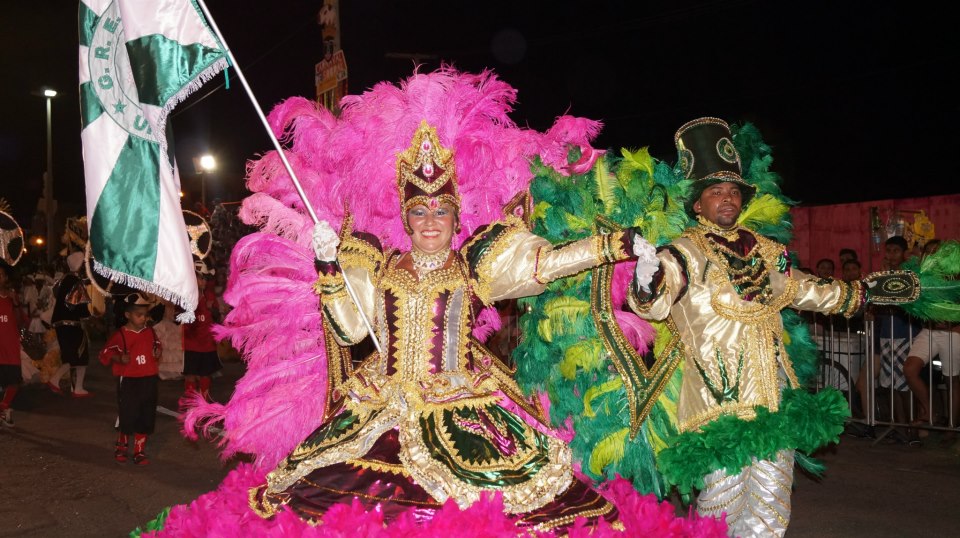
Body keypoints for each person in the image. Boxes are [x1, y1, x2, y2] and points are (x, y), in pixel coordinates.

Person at [248, 122, 646, 532]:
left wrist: (617, 245)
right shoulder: (378, 265)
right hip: (380, 404)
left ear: (456, 218)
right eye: (419, 211)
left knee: (485, 509)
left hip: (459, 406)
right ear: (406, 218)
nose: (430, 221)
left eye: (441, 211)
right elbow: (349, 332)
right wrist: (329, 267)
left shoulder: (472, 266)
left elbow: (548, 264)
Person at [625, 118, 911, 537]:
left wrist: (862, 293)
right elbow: (653, 304)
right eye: (715, 192)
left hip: (774, 397)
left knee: (771, 503)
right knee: (720, 505)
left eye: (733, 191)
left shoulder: (767, 251)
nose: (727, 198)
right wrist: (645, 280)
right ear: (697, 205)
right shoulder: (681, 253)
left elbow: (806, 290)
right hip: (717, 403)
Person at [99, 293, 162, 465]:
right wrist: (119, 358)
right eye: (139, 315)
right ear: (127, 314)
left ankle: (139, 450)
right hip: (129, 379)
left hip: (149, 378)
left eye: (145, 315)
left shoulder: (150, 332)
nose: (143, 318)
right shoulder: (120, 335)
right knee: (128, 413)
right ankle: (122, 446)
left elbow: (157, 345)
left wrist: (157, 352)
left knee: (146, 413)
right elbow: (105, 353)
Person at [48, 252, 97, 397]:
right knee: (76, 355)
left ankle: (77, 388)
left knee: (75, 355)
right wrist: (92, 318)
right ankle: (55, 380)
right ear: (79, 265)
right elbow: (79, 306)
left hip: (63, 324)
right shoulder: (75, 281)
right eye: (83, 264)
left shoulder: (65, 280)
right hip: (71, 325)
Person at [181, 259, 220, 400]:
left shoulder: (210, 295)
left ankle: (204, 400)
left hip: (207, 344)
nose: (204, 282)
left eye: (205, 279)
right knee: (190, 374)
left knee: (205, 374)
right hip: (191, 343)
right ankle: (191, 401)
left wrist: (212, 309)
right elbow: (179, 318)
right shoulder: (186, 297)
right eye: (201, 278)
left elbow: (217, 317)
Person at [0, 263, 23, 427]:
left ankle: (4, 407)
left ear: (6, 278)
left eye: (1, 275)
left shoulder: (11, 296)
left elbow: (20, 322)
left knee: (14, 381)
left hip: (10, 346)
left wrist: (15, 303)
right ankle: (5, 411)